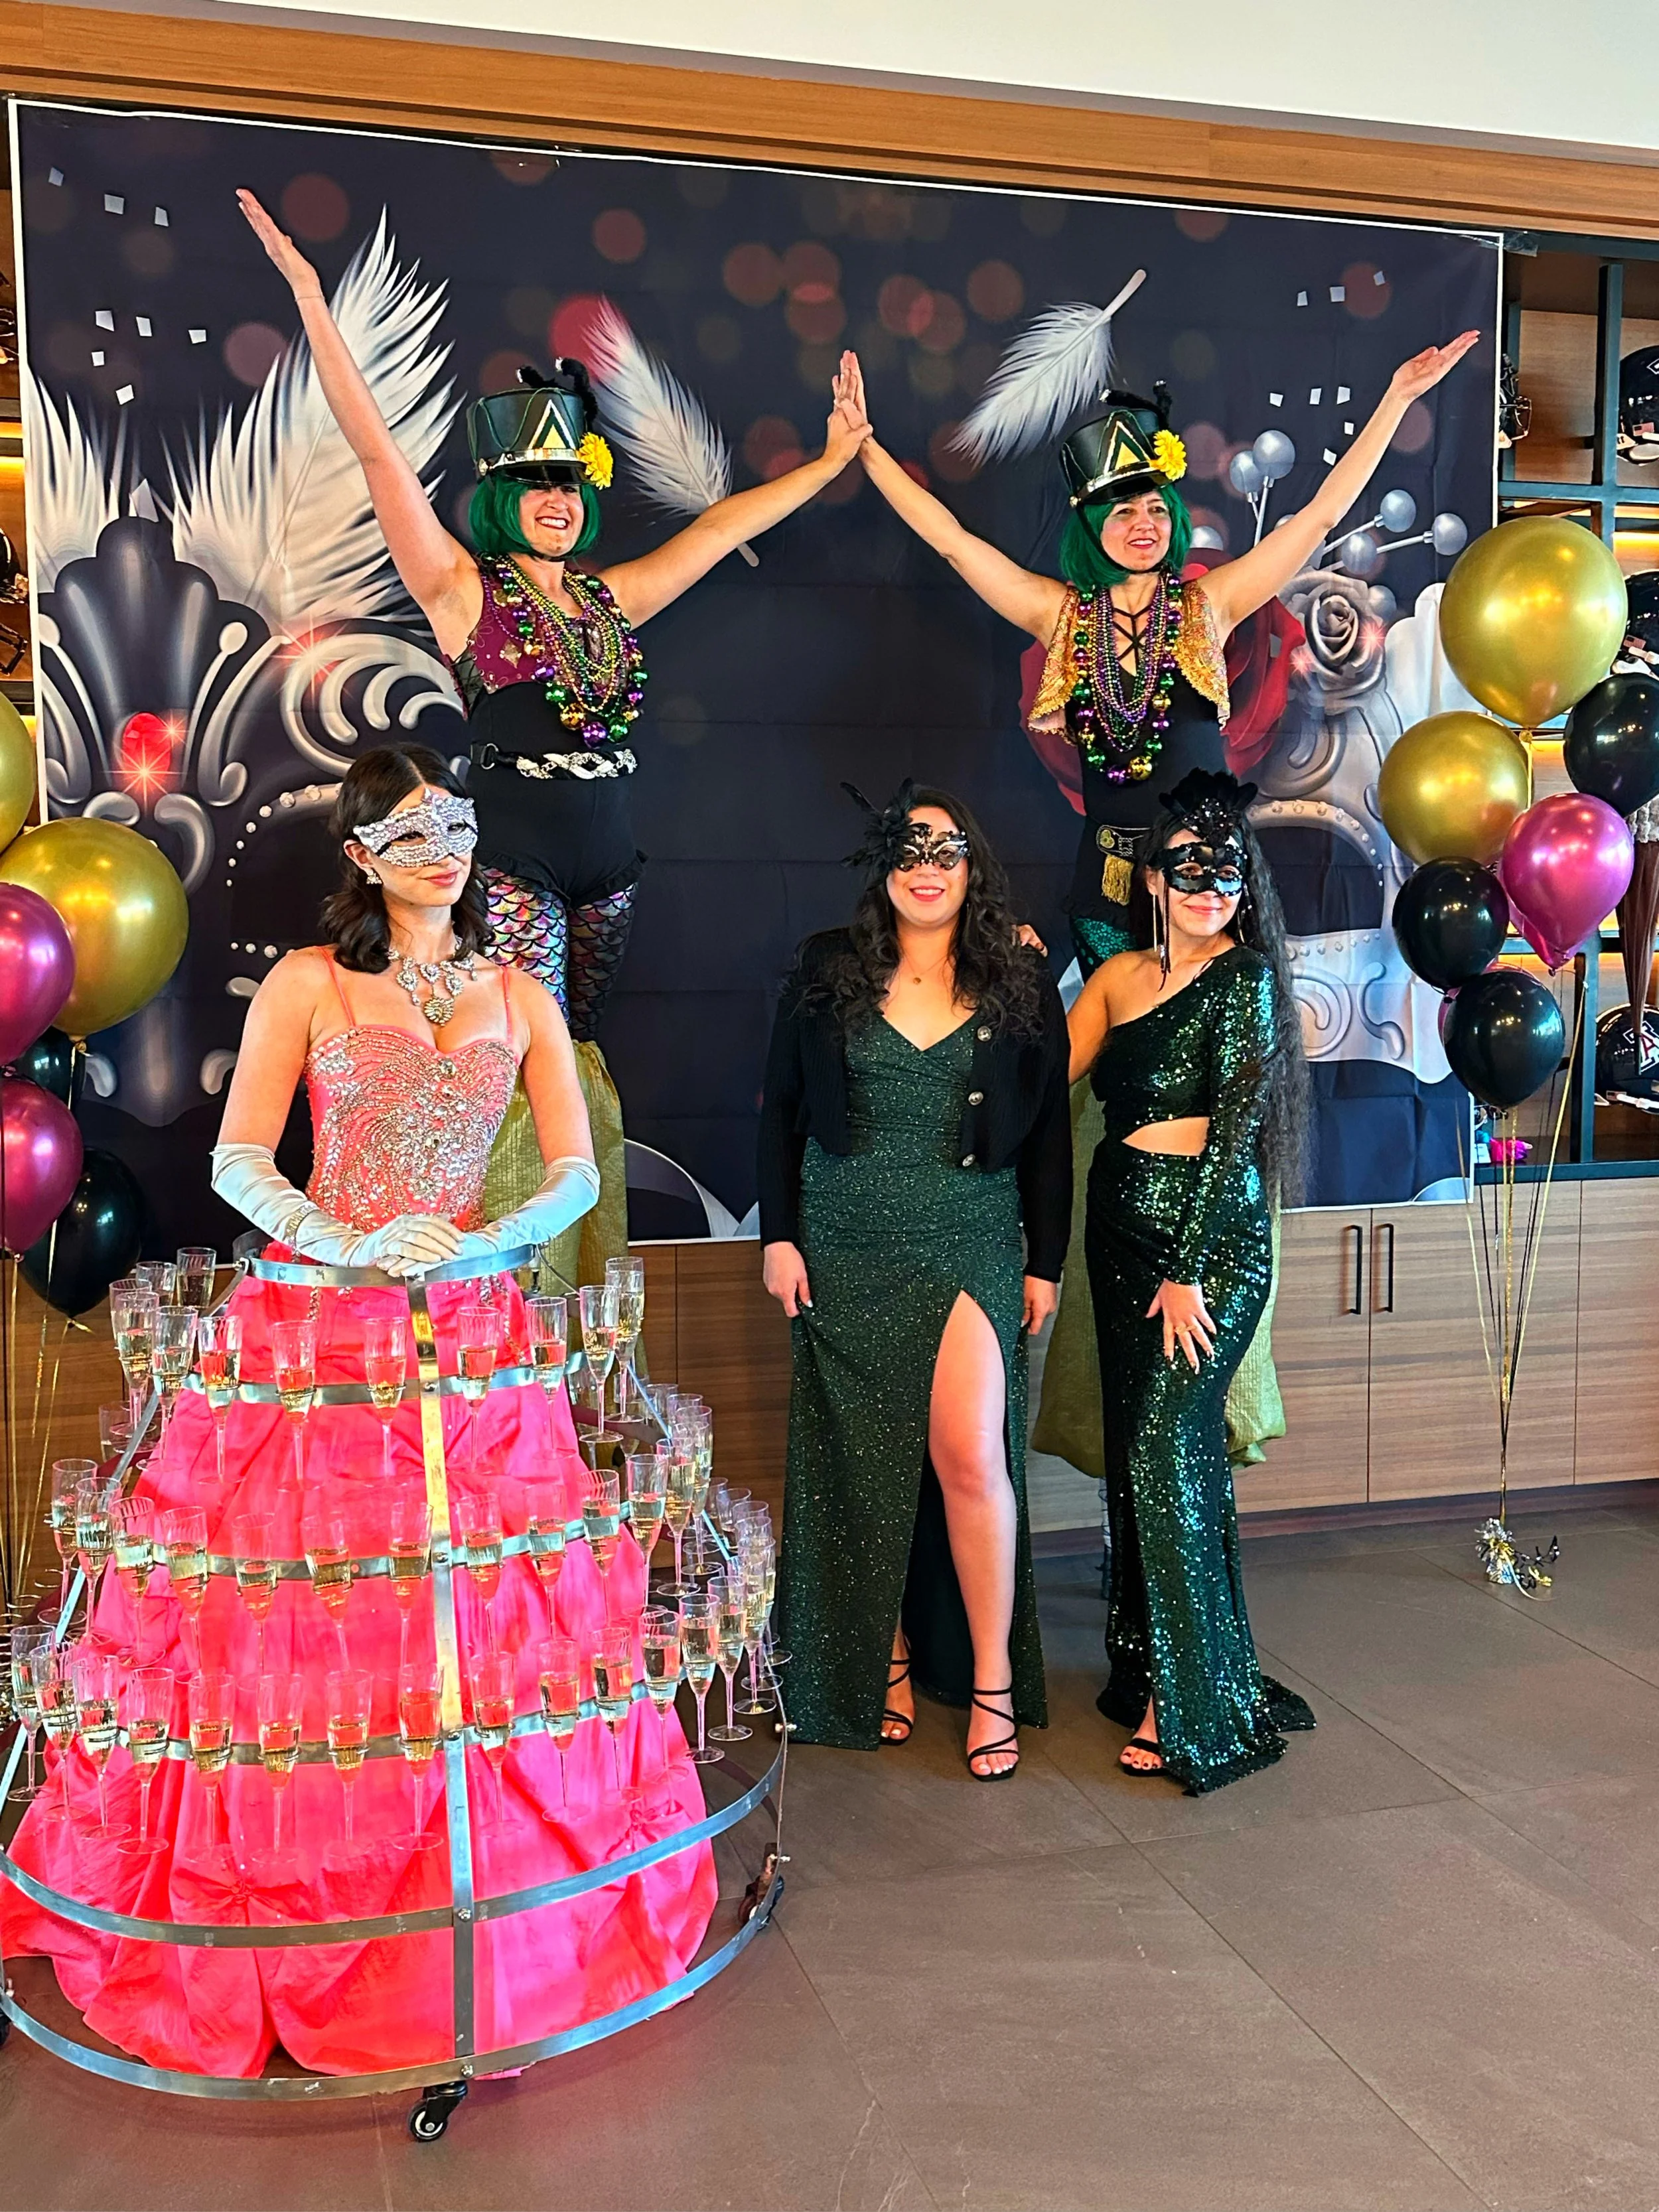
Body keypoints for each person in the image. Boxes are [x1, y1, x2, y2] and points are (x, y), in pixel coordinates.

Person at [0, 745, 716, 2076]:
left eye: (453, 825)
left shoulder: (518, 990)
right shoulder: (310, 982)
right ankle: (311, 1900)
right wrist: (339, 1235)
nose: (441, 851)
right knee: (315, 1620)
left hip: (476, 1323)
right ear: (360, 855)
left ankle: (485, 1915)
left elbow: (571, 1165)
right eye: (407, 831)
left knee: (490, 1615)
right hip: (320, 1328)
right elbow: (233, 1158)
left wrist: (482, 1238)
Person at [832, 327, 1478, 1489]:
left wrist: (1391, 397)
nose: (1141, 521)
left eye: (1155, 502)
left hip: (1210, 901)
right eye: (1120, 505)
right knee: (1103, 1102)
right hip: (1106, 903)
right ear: (1090, 517)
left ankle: (1207, 1357)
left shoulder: (1214, 605)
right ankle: (1071, 1311)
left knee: (1216, 1110)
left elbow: (1319, 515)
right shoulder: (1057, 617)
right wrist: (869, 454)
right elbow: (951, 540)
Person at [237, 189, 871, 1268]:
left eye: (571, 485)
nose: (557, 501)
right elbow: (380, 453)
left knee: (569, 1065)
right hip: (518, 861)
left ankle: (572, 1294)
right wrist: (311, 302)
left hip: (612, 868)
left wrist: (827, 461)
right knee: (516, 1070)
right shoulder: (461, 594)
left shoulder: (613, 596)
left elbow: (718, 530)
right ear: (500, 495)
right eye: (535, 485)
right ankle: (497, 1284)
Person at [758, 786, 1071, 1777]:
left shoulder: (1020, 976)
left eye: (948, 847)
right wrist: (781, 1236)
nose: (927, 864)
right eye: (909, 847)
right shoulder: (825, 968)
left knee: (971, 1454)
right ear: (882, 866)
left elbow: (1053, 1139)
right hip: (844, 1234)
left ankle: (990, 1681)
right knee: (861, 1457)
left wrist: (1043, 1259)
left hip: (970, 1230)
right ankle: (879, 1656)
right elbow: (778, 1112)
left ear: (973, 865)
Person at [1066, 768, 1313, 1791]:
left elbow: (1232, 1144)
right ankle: (1155, 1656)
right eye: (1191, 869)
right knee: (1139, 1453)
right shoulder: (1118, 977)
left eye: (1229, 871)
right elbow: (1051, 1083)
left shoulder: (1247, 977)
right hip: (1116, 1236)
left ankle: (1193, 1698)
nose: (1212, 888)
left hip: (1205, 1250)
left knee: (1170, 1450)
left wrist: (1186, 1273)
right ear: (1154, 880)